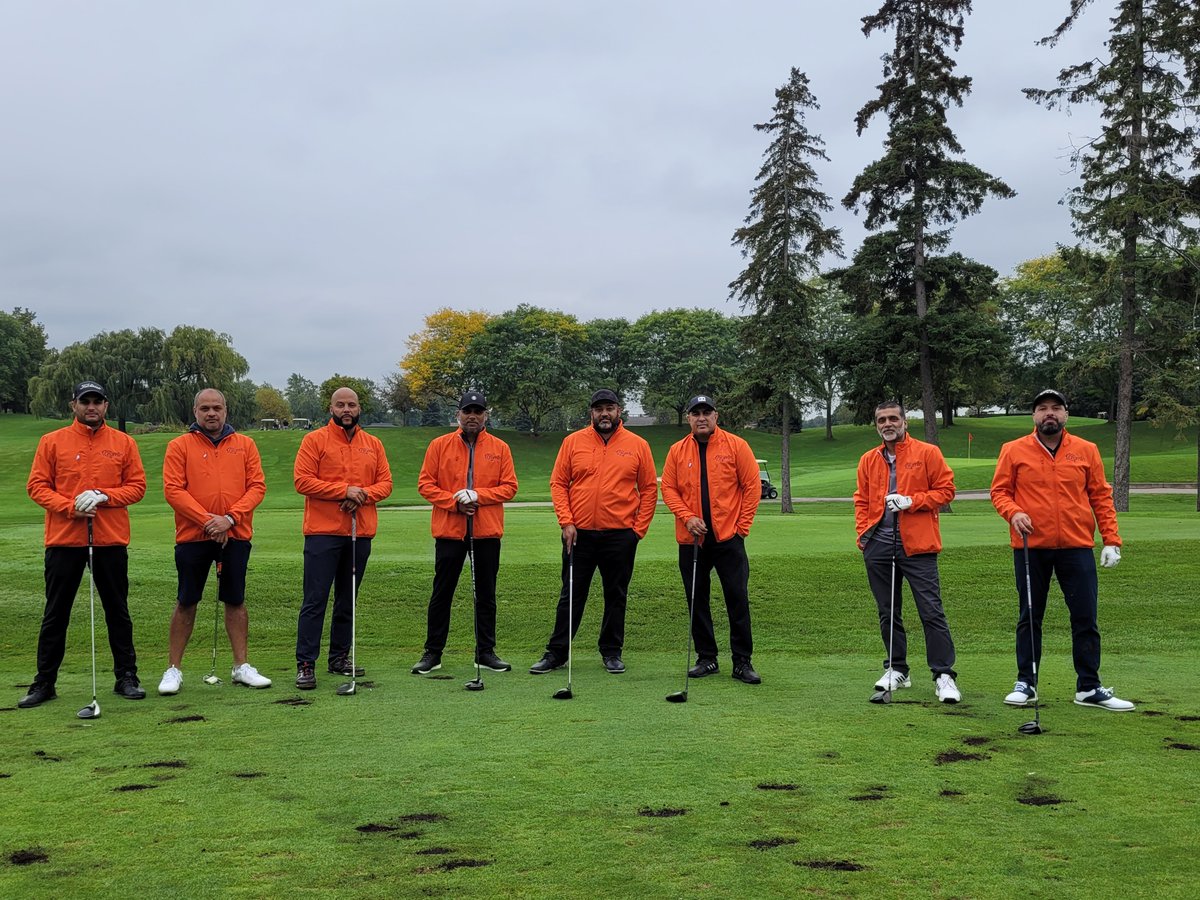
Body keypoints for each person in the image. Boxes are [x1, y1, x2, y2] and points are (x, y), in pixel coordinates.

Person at [991, 388, 1133, 711]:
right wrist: (1014, 512)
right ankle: (1026, 682)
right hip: (1031, 547)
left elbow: (1100, 497)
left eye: (1056, 408)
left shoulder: (1086, 450)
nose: (1049, 413)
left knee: (1085, 617)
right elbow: (999, 492)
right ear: (1034, 416)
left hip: (1077, 546)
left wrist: (1111, 539)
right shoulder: (1013, 450)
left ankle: (1088, 686)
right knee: (1030, 616)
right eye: (1043, 408)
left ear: (1066, 414)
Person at [20, 381, 148, 707]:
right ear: (73, 404)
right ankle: (44, 682)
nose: (92, 407)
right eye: (85, 401)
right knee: (56, 613)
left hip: (110, 539)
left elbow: (137, 487)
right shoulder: (52, 442)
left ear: (106, 405)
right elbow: (37, 486)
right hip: (64, 539)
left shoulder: (123, 443)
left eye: (98, 401)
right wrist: (70, 507)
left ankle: (126, 676)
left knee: (117, 611)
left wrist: (105, 496)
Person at [529, 389, 657, 675]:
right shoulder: (573, 442)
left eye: (609, 408)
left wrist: (638, 530)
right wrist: (566, 522)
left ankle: (611, 652)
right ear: (591, 413)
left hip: (620, 535)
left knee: (616, 595)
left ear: (619, 411)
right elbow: (558, 484)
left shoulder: (637, 445)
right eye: (598, 409)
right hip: (579, 534)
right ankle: (557, 652)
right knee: (571, 595)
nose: (604, 414)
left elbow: (649, 489)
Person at [158, 388, 271, 694]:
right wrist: (209, 521)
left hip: (235, 534)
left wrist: (230, 519)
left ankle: (240, 666)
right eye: (205, 408)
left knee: (235, 600)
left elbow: (257, 486)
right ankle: (173, 670)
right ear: (195, 412)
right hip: (193, 535)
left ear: (226, 410)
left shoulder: (245, 445)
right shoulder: (179, 445)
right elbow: (174, 490)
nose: (211, 413)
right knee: (186, 600)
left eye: (217, 408)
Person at [853, 401, 961, 703]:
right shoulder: (868, 459)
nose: (888, 424)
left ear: (904, 422)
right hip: (878, 543)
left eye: (893, 419)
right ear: (877, 425)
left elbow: (946, 491)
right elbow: (861, 499)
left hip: (918, 544)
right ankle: (897, 668)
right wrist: (864, 536)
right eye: (881, 420)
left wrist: (912, 501)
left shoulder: (927, 453)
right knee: (888, 610)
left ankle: (943, 674)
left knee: (931, 610)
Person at [411, 391, 518, 675]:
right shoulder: (439, 445)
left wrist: (478, 496)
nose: (472, 416)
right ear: (458, 414)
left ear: (486, 415)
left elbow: (509, 487)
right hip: (449, 530)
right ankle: (433, 652)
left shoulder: (500, 448)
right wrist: (455, 503)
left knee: (486, 594)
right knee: (442, 593)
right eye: (467, 411)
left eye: (478, 411)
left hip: (486, 532)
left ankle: (485, 652)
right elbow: (425, 485)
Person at [293, 387, 393, 690]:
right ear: (331, 407)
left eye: (351, 404)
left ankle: (339, 657)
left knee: (347, 599)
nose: (346, 409)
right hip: (323, 532)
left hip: (359, 531)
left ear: (359, 407)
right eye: (340, 405)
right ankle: (306, 664)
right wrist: (343, 490)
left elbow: (386, 483)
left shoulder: (372, 444)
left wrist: (361, 495)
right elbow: (302, 480)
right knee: (315, 599)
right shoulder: (314, 440)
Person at [661, 395, 763, 684]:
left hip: (729, 538)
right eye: (696, 413)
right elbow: (668, 488)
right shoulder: (677, 450)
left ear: (716, 416)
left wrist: (741, 528)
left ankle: (742, 661)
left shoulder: (736, 445)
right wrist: (686, 516)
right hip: (691, 539)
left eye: (707, 412)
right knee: (697, 600)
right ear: (689, 418)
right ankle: (707, 658)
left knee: (737, 599)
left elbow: (752, 486)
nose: (701, 417)